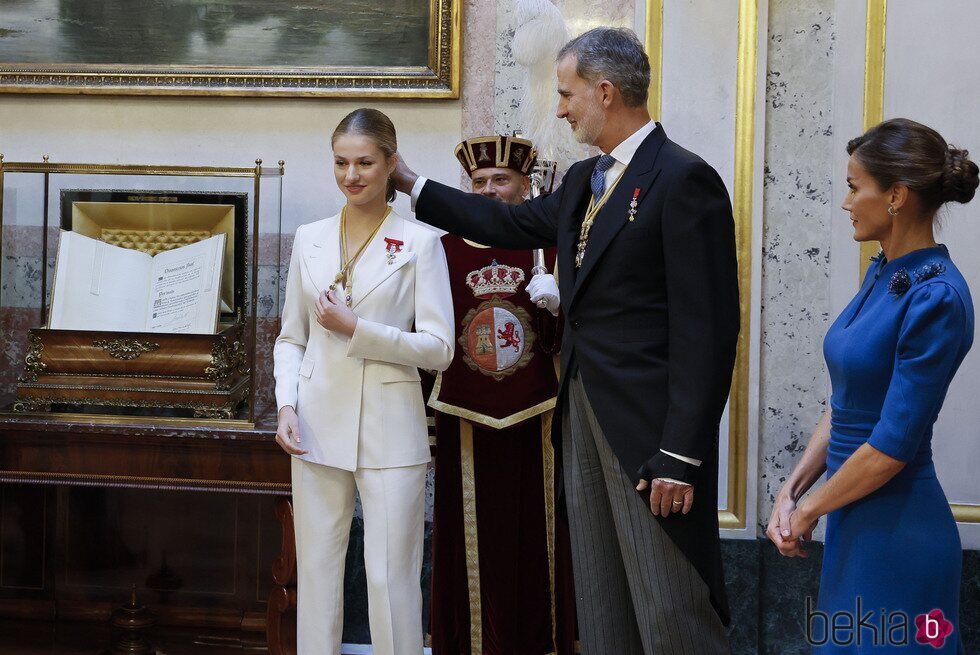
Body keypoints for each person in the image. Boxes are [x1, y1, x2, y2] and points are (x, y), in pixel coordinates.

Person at [392, 27, 739, 654]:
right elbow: (501, 220)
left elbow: (708, 330)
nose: (559, 108)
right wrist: (412, 183)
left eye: (566, 93)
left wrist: (682, 454)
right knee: (601, 599)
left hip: (648, 432)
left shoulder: (683, 179)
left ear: (604, 92)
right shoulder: (584, 180)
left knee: (668, 608)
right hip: (580, 416)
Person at [767, 118, 978, 653]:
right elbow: (847, 404)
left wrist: (810, 509)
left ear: (896, 196)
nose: (845, 201)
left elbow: (892, 446)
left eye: (854, 186)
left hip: (899, 534)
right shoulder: (884, 271)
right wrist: (790, 492)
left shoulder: (938, 298)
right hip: (852, 521)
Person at [273, 108, 454, 655]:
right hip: (314, 428)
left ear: (391, 164)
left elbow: (440, 350)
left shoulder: (421, 243)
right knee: (319, 579)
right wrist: (285, 404)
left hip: (391, 433)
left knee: (390, 580)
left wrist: (360, 330)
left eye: (365, 163)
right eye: (341, 163)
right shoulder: (309, 238)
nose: (352, 176)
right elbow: (290, 338)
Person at [427, 134, 576, 655]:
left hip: (539, 422)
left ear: (525, 187)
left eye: (500, 181)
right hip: (462, 419)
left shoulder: (550, 247)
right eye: (478, 183)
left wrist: (562, 308)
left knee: (539, 545)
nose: (488, 191)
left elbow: (579, 341)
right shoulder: (440, 250)